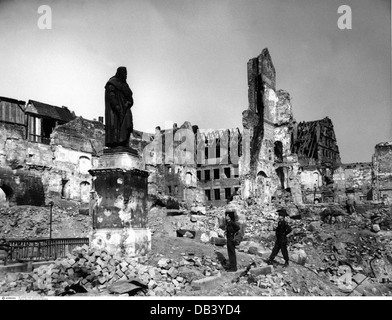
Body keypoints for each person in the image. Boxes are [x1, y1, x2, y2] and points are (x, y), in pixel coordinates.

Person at [104, 66, 134, 148]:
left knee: (128, 125)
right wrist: (116, 106)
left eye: (126, 74)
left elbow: (130, 97)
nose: (125, 76)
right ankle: (117, 143)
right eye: (124, 74)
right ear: (120, 73)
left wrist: (129, 102)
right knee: (116, 127)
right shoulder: (112, 83)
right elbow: (111, 96)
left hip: (125, 109)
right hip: (116, 111)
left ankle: (124, 142)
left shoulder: (125, 85)